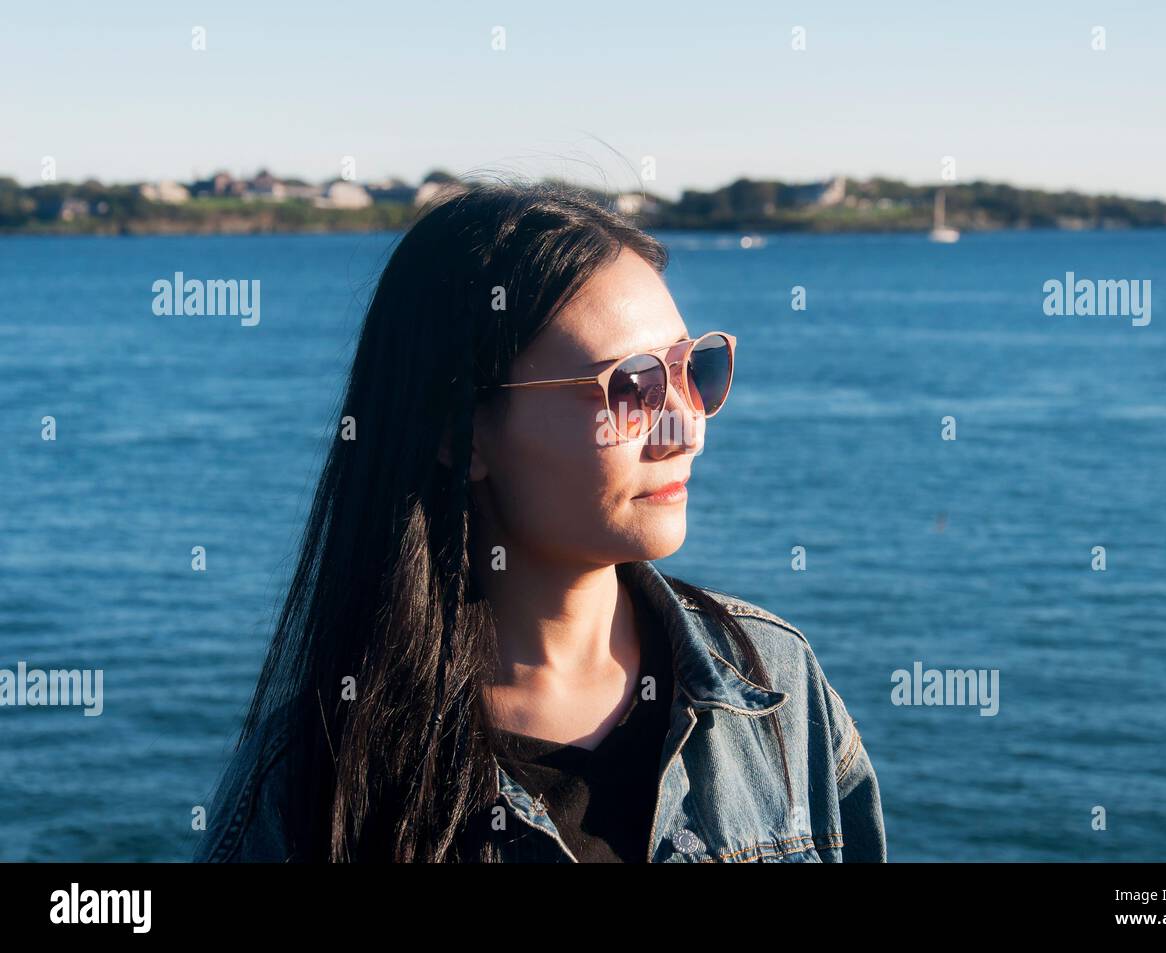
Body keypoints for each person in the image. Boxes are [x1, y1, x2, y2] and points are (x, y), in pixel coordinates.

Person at [193, 180, 886, 863]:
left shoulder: (777, 689)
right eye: (632, 387)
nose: (687, 427)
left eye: (693, 369)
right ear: (460, 430)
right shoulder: (312, 784)